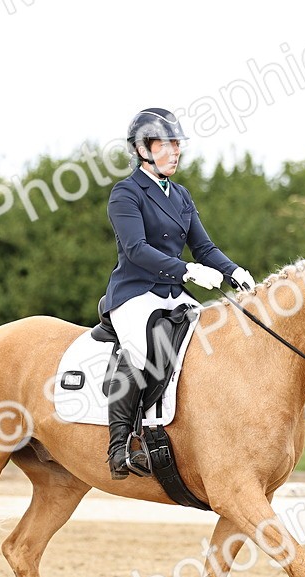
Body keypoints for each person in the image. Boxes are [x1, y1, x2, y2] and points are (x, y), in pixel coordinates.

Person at [101, 107, 255, 480]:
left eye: (177, 144)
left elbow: (203, 247)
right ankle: (120, 447)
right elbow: (136, 249)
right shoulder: (126, 193)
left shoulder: (181, 195)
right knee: (141, 352)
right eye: (165, 145)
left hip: (173, 293)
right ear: (142, 150)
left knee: (215, 340)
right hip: (135, 293)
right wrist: (186, 270)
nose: (174, 152)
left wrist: (233, 271)